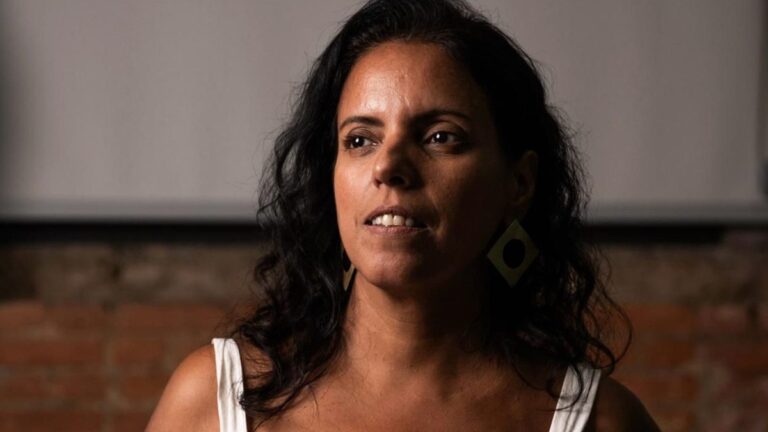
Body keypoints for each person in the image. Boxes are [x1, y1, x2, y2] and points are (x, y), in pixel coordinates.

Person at [147, 0, 660, 430]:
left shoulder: (601, 421)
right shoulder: (214, 401)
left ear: (518, 184)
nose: (388, 166)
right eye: (360, 140)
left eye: (440, 137)